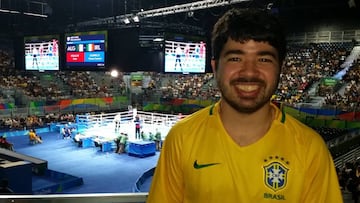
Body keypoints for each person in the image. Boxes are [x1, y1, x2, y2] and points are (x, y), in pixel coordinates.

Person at [147, 8, 343, 203]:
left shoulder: (311, 149)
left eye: (264, 59)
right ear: (215, 68)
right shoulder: (181, 138)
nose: (249, 72)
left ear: (280, 69)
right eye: (235, 58)